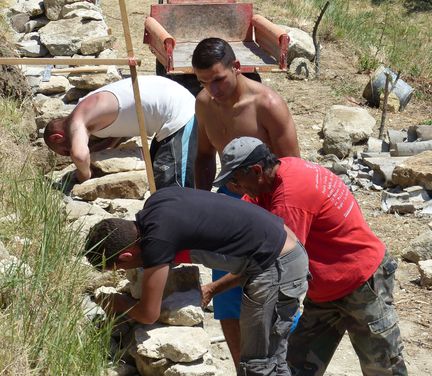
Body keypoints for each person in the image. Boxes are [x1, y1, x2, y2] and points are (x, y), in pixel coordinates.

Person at [210, 136, 408, 376]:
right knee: (296, 367)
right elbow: (244, 216)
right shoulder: (279, 172)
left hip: (362, 284)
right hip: (325, 292)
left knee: (383, 367)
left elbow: (275, 266)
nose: (233, 187)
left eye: (235, 181)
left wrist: (214, 288)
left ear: (256, 170)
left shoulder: (289, 201)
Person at [85, 186, 309, 376]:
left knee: (258, 363)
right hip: (280, 247)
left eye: (121, 268)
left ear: (125, 256)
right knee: (274, 358)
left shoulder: (157, 241)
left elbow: (148, 314)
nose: (126, 271)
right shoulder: (157, 202)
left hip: (279, 265)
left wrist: (116, 302)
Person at [191, 37, 300, 365]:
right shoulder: (204, 103)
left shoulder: (267, 104)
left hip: (267, 207)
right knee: (227, 298)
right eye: (203, 82)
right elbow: (204, 156)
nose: (213, 89)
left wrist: (282, 226)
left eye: (218, 79)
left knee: (273, 295)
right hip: (229, 203)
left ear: (237, 68)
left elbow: (293, 169)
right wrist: (202, 204)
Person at [44, 75, 197, 189]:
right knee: (157, 180)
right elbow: (116, 132)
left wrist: (84, 175)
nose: (69, 154)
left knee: (175, 188)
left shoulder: (77, 120)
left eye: (65, 152)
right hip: (169, 106)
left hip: (179, 113)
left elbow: (79, 155)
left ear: (57, 138)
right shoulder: (88, 106)